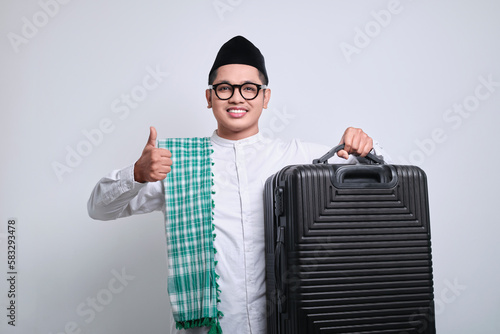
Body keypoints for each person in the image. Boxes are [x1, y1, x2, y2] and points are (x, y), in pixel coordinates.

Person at [88, 36, 384, 334]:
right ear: (209, 97)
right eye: (225, 88)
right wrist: (137, 174)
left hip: (285, 325)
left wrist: (363, 148)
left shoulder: (298, 157)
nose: (237, 98)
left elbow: (384, 186)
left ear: (265, 98)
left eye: (249, 88)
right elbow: (99, 209)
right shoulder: (175, 163)